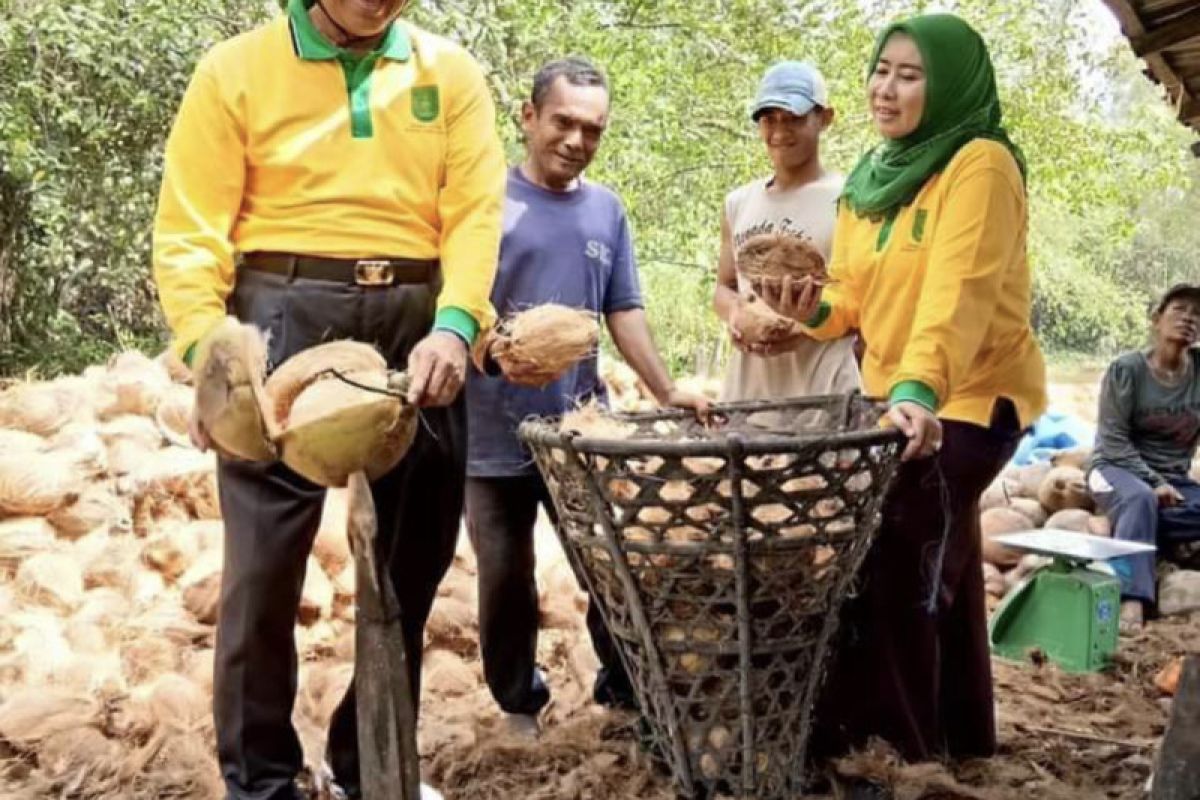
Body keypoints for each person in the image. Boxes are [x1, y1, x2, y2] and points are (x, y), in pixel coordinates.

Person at [152, 1, 506, 797]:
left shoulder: (448, 73)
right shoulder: (234, 71)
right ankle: (264, 782)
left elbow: (476, 212)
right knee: (263, 574)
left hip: (418, 316)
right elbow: (190, 230)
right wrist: (211, 356)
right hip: (282, 311)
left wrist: (456, 324)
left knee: (411, 566)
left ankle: (367, 764)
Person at [752, 13, 1047, 787]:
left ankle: (897, 758)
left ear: (948, 85)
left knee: (896, 565)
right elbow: (848, 297)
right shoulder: (873, 178)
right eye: (881, 70)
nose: (886, 88)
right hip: (900, 398)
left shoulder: (978, 165)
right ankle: (965, 737)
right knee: (936, 558)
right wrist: (801, 306)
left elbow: (962, 293)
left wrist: (918, 389)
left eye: (909, 75)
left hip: (970, 399)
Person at [464, 56, 709, 737]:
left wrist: (666, 389)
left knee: (611, 568)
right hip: (489, 434)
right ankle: (519, 703)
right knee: (506, 578)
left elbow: (621, 310)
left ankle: (626, 693)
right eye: (563, 122)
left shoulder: (606, 211)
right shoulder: (486, 203)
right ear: (529, 116)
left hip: (581, 431)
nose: (576, 140)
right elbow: (454, 303)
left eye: (592, 129)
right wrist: (494, 350)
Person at [712, 61, 860, 400]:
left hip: (824, 392)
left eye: (793, 118)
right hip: (749, 395)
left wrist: (800, 327)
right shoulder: (738, 202)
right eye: (769, 119)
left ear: (824, 118)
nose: (779, 132)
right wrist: (737, 314)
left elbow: (864, 303)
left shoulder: (851, 200)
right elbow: (723, 287)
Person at [1088, 284, 1200, 631]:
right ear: (1156, 319)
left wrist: (1167, 482)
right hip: (1114, 467)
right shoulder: (1127, 370)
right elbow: (1113, 440)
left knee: (1147, 508)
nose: (1188, 319)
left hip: (1174, 479)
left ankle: (1133, 530)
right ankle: (1132, 600)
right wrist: (1154, 482)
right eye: (1179, 310)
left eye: (1197, 315)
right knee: (1139, 499)